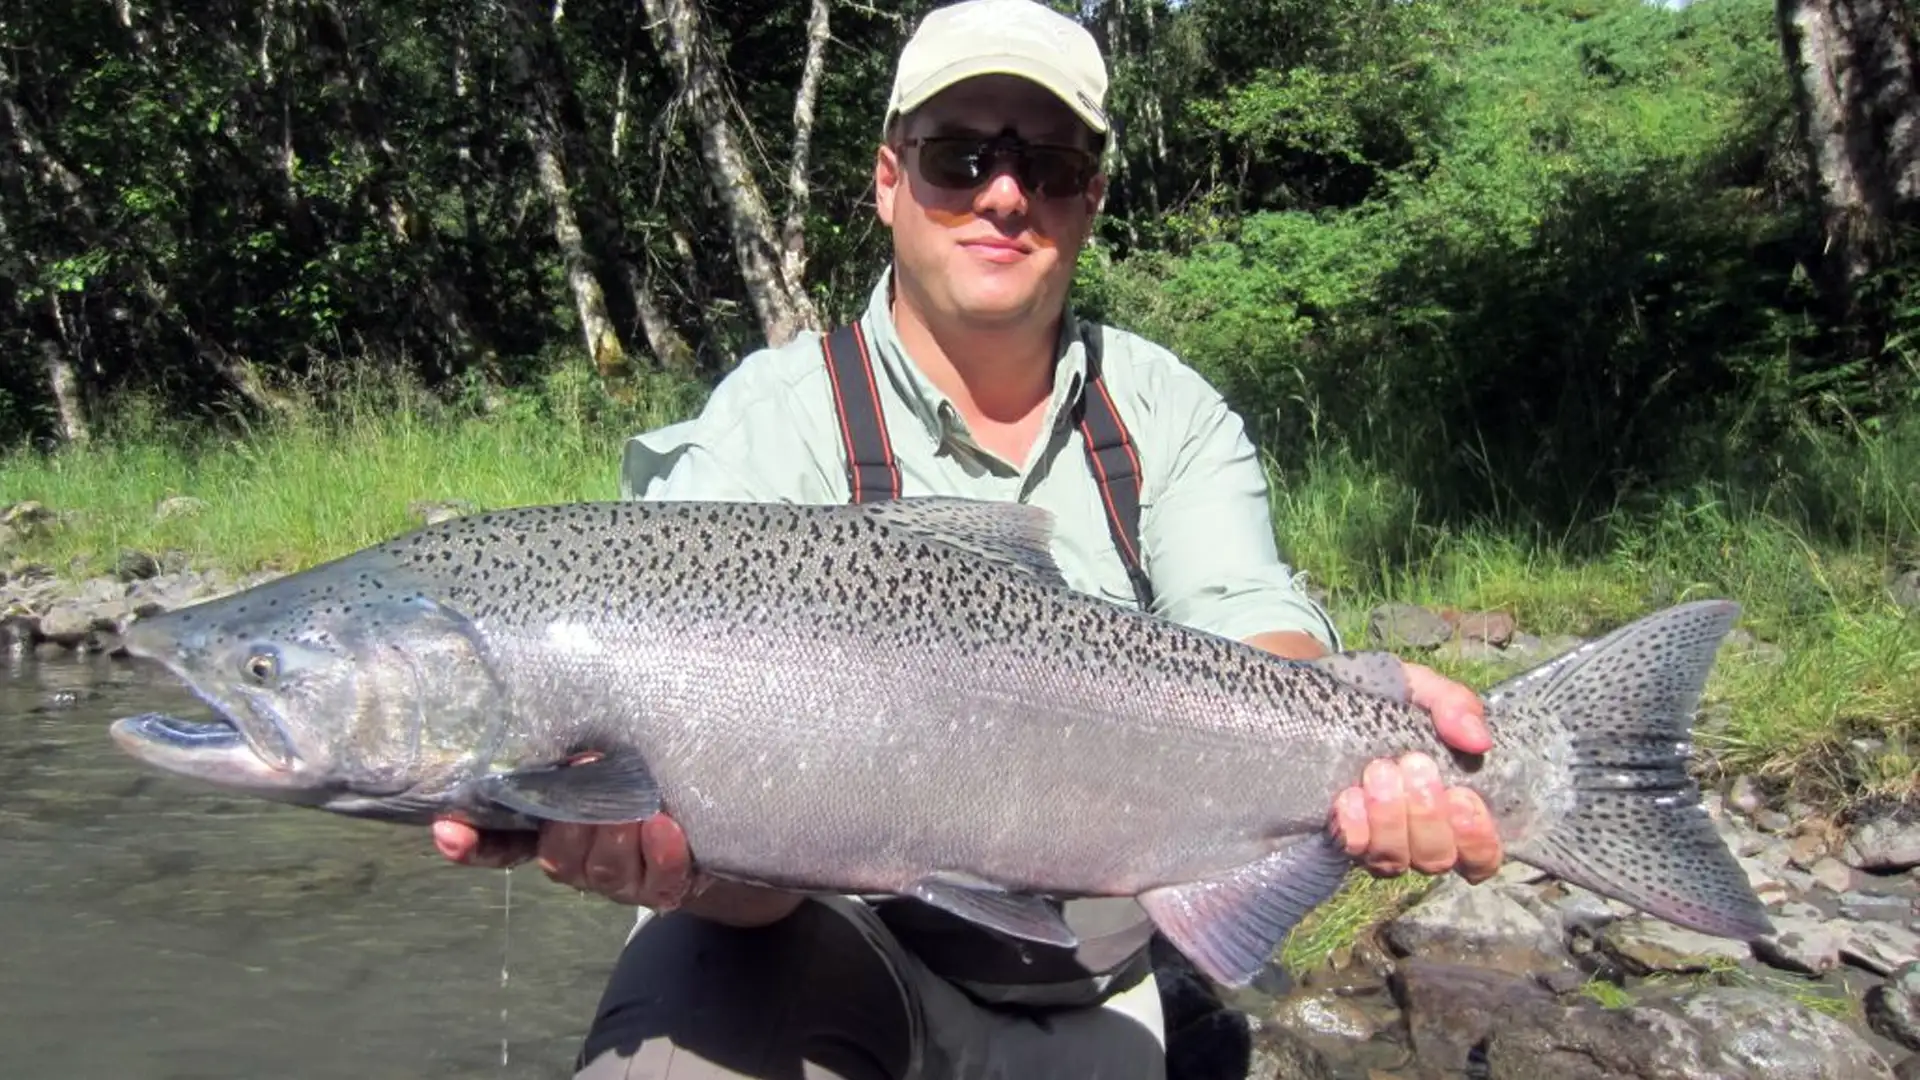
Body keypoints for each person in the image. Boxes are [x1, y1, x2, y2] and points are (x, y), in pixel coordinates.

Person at [433, 2, 1502, 1076]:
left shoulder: (1169, 413)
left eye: (1046, 164)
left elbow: (1252, 628)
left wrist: (1369, 750)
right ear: (890, 179)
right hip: (822, 948)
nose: (1003, 193)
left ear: (1090, 196)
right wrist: (674, 867)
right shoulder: (769, 425)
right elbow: (749, 889)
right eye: (960, 156)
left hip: (1105, 978)